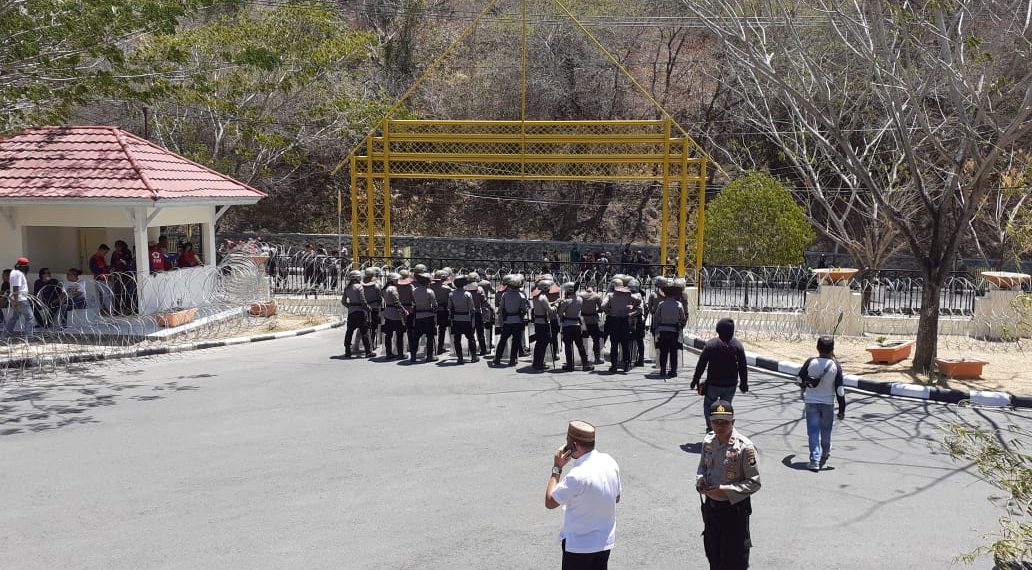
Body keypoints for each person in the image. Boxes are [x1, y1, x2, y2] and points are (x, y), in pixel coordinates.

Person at [545, 420, 621, 570]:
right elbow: (616, 498)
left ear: (574, 446)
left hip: (579, 546)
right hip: (604, 542)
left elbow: (550, 502)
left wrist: (557, 468)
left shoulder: (577, 476)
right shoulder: (610, 461)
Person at [695, 400, 761, 570]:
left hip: (734, 512)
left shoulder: (744, 447)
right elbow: (703, 467)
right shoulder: (708, 441)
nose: (720, 426)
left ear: (733, 422)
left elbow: (754, 482)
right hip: (711, 510)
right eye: (716, 421)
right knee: (713, 556)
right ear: (710, 422)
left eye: (725, 422)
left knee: (734, 561)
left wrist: (726, 490)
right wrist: (700, 481)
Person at [798, 336, 847, 471]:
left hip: (811, 402)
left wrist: (807, 383)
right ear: (832, 349)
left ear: (817, 348)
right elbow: (840, 390)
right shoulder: (835, 365)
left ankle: (814, 460)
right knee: (826, 430)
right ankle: (825, 452)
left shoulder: (810, 362)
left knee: (813, 431)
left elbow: (799, 378)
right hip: (828, 403)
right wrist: (842, 409)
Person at [691, 318, 749, 431]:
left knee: (709, 405)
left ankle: (711, 427)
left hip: (713, 384)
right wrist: (744, 383)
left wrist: (695, 380)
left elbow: (701, 364)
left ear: (718, 329)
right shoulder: (738, 346)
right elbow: (743, 366)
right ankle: (724, 428)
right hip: (730, 384)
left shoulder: (711, 344)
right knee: (726, 407)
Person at [491, 274, 529, 367]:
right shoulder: (521, 296)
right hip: (517, 321)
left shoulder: (505, 295)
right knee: (515, 341)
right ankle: (513, 359)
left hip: (507, 321)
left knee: (503, 340)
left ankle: (497, 358)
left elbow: (500, 309)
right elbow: (524, 310)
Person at [653, 278, 687, 377]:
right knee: (673, 352)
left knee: (663, 351)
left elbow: (656, 317)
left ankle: (663, 369)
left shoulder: (661, 304)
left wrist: (659, 325)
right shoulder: (679, 305)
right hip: (674, 331)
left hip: (663, 331)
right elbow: (683, 318)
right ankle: (673, 371)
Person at [558, 282, 593, 372]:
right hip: (577, 324)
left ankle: (570, 365)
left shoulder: (566, 301)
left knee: (568, 346)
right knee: (580, 345)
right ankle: (585, 364)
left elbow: (560, 313)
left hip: (567, 325)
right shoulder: (580, 300)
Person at [447, 274, 478, 364]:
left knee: (457, 339)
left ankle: (460, 358)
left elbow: (449, 307)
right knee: (471, 338)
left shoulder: (451, 294)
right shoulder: (468, 294)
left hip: (456, 319)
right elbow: (472, 309)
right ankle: (474, 357)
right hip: (466, 318)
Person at [341, 270, 372, 358]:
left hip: (351, 312)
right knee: (364, 332)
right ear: (357, 277)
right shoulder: (359, 287)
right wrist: (368, 308)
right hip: (360, 312)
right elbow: (363, 301)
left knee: (349, 332)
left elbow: (343, 301)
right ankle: (368, 351)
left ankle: (347, 351)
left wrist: (350, 307)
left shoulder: (347, 288)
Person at [410, 272, 438, 363]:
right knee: (430, 337)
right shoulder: (430, 291)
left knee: (416, 337)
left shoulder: (414, 290)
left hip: (418, 316)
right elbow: (434, 305)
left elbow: (413, 302)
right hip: (428, 316)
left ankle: (413, 356)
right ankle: (429, 356)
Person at [381, 272, 407, 359]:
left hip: (387, 312)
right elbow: (397, 302)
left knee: (388, 335)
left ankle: (389, 353)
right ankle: (400, 354)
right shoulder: (393, 289)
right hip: (395, 313)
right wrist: (404, 311)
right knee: (399, 334)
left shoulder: (385, 289)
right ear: (393, 280)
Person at [6, 257, 34, 336]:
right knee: (30, 317)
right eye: (26, 265)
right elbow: (15, 287)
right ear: (23, 266)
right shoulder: (18, 273)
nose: (28, 266)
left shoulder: (14, 272)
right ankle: (29, 336)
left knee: (15, 316)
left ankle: (7, 333)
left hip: (18, 298)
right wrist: (16, 301)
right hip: (21, 299)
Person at [579, 285, 604, 364]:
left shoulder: (580, 295)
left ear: (586, 287)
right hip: (593, 320)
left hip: (583, 321)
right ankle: (597, 358)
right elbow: (602, 308)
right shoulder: (597, 296)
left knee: (583, 340)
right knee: (596, 340)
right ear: (594, 288)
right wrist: (596, 310)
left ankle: (584, 358)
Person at [430, 269, 453, 355]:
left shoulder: (430, 286)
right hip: (443, 311)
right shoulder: (447, 289)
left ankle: (432, 347)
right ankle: (440, 347)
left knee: (432, 329)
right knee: (442, 330)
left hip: (433, 310)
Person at [88, 243, 113, 316]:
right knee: (105, 296)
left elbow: (104, 268)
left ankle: (108, 311)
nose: (105, 254)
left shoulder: (101, 258)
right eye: (105, 252)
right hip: (100, 280)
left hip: (106, 279)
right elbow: (94, 270)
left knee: (108, 296)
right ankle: (110, 311)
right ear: (100, 250)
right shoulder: (93, 259)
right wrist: (102, 273)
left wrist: (109, 268)